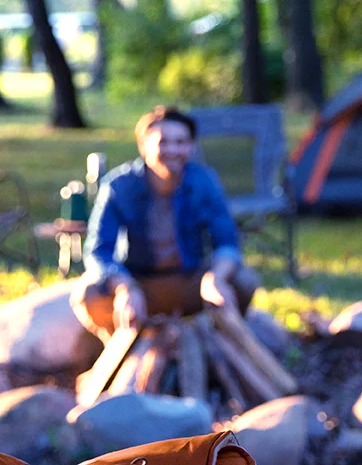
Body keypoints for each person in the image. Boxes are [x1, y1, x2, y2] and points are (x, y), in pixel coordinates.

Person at [72, 106, 263, 339]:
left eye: (181, 142)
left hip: (190, 280)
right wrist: (125, 287)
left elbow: (227, 242)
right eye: (163, 142)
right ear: (143, 147)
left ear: (191, 146)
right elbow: (98, 251)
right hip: (139, 284)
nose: (172, 150)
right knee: (88, 293)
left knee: (244, 280)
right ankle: (125, 346)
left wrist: (216, 278)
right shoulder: (118, 186)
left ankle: (219, 342)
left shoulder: (204, 180)